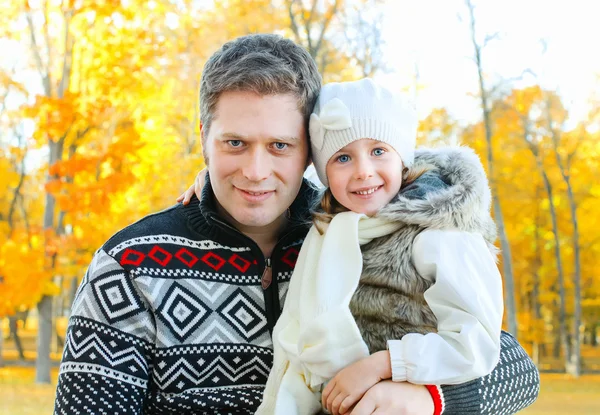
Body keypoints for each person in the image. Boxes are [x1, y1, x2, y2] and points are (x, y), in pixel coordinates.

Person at [55, 34, 539, 415]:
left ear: (311, 149)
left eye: (280, 146)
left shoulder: (355, 228)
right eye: (235, 143)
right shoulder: (130, 266)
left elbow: (516, 371)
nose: (256, 171)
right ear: (204, 138)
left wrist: (428, 400)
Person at [250, 78, 502, 415]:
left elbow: (477, 344)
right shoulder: (329, 232)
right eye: (342, 158)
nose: (363, 172)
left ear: (402, 157)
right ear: (324, 173)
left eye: (378, 151)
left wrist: (385, 365)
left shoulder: (439, 232)